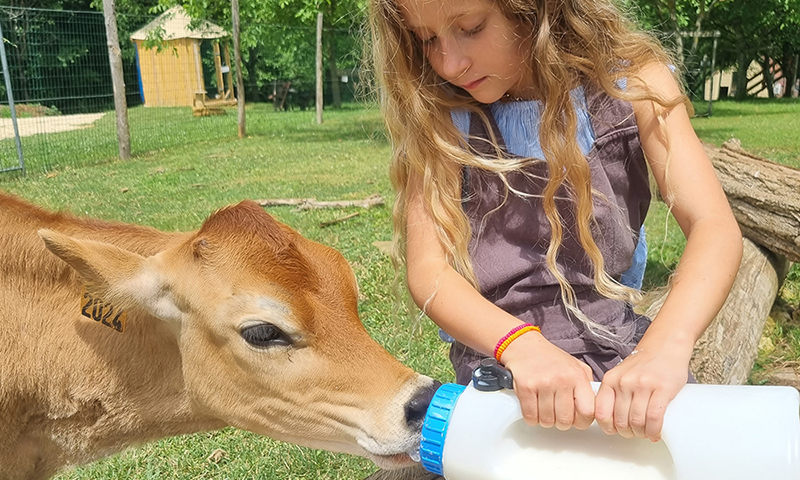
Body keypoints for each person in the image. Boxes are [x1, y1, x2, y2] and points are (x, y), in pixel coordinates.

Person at [365, 0, 742, 475]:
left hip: (618, 350)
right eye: (427, 40)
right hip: (503, 366)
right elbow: (429, 272)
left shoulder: (634, 85)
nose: (449, 62)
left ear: (535, 10)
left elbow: (714, 226)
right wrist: (522, 348)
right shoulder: (444, 116)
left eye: (471, 28)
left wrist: (666, 347)